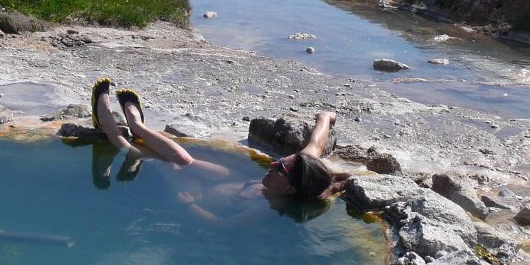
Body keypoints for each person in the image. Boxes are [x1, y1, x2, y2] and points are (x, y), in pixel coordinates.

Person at [89, 78, 350, 215]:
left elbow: (223, 225)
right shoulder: (305, 169)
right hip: (232, 181)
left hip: (202, 197)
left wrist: (191, 205)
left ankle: (111, 130)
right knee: (184, 159)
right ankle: (136, 124)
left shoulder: (265, 209)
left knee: (151, 158)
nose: (274, 163)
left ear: (291, 188)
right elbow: (316, 143)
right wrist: (326, 117)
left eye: (280, 167)